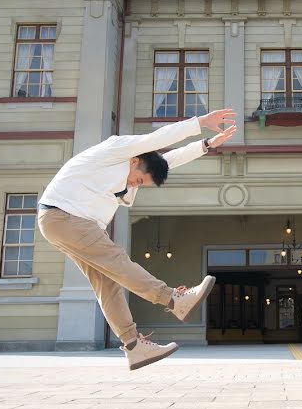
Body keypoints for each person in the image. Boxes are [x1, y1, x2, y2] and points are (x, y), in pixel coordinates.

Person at [38, 110, 237, 370]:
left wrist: (206, 145)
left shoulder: (134, 167)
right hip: (65, 217)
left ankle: (134, 346)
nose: (136, 185)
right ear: (134, 161)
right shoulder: (116, 150)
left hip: (65, 222)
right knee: (117, 261)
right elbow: (157, 139)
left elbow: (167, 160)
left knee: (107, 283)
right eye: (140, 179)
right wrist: (198, 124)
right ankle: (174, 300)